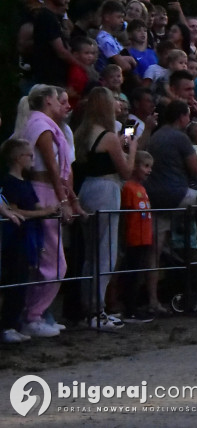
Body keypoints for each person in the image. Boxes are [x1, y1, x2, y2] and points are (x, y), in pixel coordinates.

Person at [74, 87, 137, 330]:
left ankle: (89, 307)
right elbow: (126, 171)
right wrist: (131, 147)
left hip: (88, 189)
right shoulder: (109, 136)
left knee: (91, 254)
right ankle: (97, 311)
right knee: (106, 253)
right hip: (106, 189)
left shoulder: (83, 132)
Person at [21, 85, 81, 338]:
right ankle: (32, 315)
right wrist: (63, 199)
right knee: (52, 262)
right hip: (43, 189)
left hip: (49, 189)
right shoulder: (41, 126)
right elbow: (52, 166)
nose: (63, 104)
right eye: (59, 100)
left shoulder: (50, 126)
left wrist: (70, 197)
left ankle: (36, 313)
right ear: (48, 100)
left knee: (54, 260)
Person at [145, 99, 197, 262]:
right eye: (188, 115)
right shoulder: (180, 138)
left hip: (154, 196)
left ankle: (151, 286)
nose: (190, 119)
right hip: (176, 194)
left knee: (154, 250)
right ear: (181, 117)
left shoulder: (156, 135)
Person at [1, 138, 58, 343]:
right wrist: (43, 212)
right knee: (14, 279)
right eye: (29, 156)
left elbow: (32, 207)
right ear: (17, 158)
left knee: (22, 279)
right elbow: (15, 210)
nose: (32, 160)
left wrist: (45, 211)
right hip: (15, 238)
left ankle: (14, 323)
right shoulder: (10, 182)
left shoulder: (24, 182)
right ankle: (7, 325)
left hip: (27, 237)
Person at [118, 150, 164, 321]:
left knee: (137, 275)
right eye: (145, 166)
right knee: (131, 275)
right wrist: (124, 237)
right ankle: (129, 309)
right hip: (133, 238)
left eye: (150, 167)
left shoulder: (141, 188)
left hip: (144, 238)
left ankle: (134, 307)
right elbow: (126, 215)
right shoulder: (128, 188)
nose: (149, 170)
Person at [30, 0, 77, 88]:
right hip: (50, 80)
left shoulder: (56, 17)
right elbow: (60, 51)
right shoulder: (46, 17)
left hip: (58, 79)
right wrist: (83, 67)